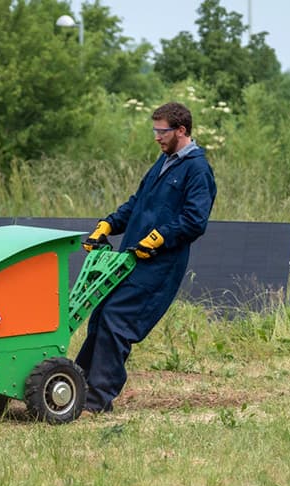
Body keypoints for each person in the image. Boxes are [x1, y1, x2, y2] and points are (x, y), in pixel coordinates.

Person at [77, 101, 217, 413]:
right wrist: (108, 225)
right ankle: (78, 388)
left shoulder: (197, 169)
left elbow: (196, 220)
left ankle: (97, 401)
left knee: (117, 320)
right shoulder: (164, 162)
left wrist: (160, 237)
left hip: (160, 266)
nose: (156, 136)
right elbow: (137, 204)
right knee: (101, 316)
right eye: (154, 130)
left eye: (162, 131)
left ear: (181, 131)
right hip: (131, 259)